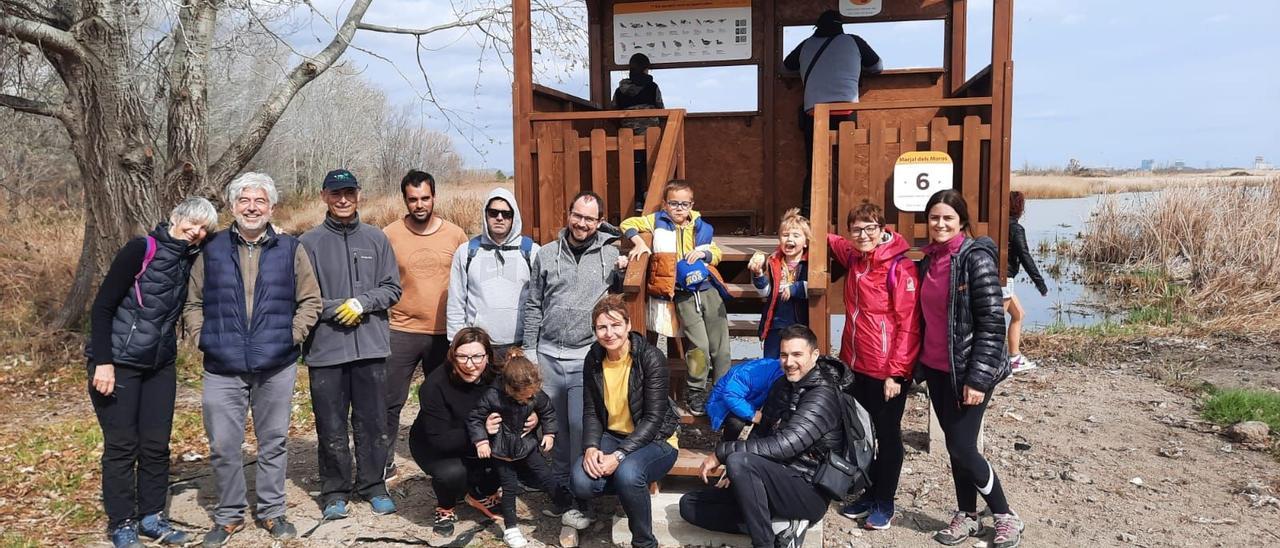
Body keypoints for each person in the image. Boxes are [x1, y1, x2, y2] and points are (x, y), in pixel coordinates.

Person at [183, 173, 323, 546]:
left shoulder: (291, 249)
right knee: (224, 444)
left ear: (271, 207)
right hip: (222, 365)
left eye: (260, 201)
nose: (252, 207)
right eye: (244, 200)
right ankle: (228, 516)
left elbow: (311, 300)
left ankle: (272, 511)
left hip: (276, 364)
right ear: (232, 206)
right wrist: (202, 338)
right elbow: (193, 301)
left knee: (273, 441)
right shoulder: (210, 249)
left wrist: (290, 337)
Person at [86, 197, 217, 548]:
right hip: (119, 363)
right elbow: (102, 308)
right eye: (192, 222)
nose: (196, 231)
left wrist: (275, 232)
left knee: (157, 445)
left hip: (160, 364)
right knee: (122, 446)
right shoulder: (140, 249)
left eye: (204, 227)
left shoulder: (191, 256)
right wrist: (103, 362)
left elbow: (234, 241)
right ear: (175, 217)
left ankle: (151, 517)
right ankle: (122, 523)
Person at [679, 325, 848, 548]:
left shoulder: (822, 396)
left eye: (797, 355)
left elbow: (785, 445)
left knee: (740, 460)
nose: (789, 362)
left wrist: (724, 453)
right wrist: (738, 473)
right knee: (690, 504)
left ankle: (764, 543)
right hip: (772, 480)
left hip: (808, 490)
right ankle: (781, 527)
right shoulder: (782, 385)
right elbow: (762, 431)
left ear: (814, 355)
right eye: (784, 355)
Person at [917, 190, 1022, 548]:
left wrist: (977, 378)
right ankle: (968, 515)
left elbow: (993, 323)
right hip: (936, 369)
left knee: (963, 448)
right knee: (954, 445)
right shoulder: (929, 260)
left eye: (947, 218)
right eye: (934, 218)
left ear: (961, 221)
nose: (940, 224)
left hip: (969, 371)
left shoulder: (975, 259)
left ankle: (1005, 516)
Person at [299, 168, 403, 519]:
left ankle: (373, 485)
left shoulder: (376, 238)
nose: (343, 199)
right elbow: (302, 298)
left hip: (371, 347)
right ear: (324, 196)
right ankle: (335, 490)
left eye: (349, 192)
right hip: (326, 350)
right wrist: (335, 308)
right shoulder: (308, 243)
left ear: (359, 195)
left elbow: (392, 288)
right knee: (330, 423)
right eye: (335, 193)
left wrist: (363, 302)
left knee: (372, 421)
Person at [522, 190, 628, 525]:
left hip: (585, 356)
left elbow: (621, 290)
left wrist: (626, 263)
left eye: (590, 218)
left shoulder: (609, 257)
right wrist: (529, 351)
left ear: (599, 222)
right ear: (568, 214)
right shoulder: (547, 254)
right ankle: (563, 493)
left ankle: (584, 498)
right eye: (577, 215)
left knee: (583, 427)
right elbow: (534, 304)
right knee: (554, 430)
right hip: (548, 353)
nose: (581, 223)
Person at [826, 201, 921, 530]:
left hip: (887, 371)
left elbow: (909, 325)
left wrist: (897, 371)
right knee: (863, 434)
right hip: (856, 364)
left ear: (883, 229)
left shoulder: (900, 268)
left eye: (870, 228)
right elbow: (834, 242)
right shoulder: (855, 257)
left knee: (888, 436)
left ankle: (885, 501)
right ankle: (868, 492)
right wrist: (810, 233)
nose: (863, 234)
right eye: (856, 229)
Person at [572, 295, 680, 548]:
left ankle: (644, 542)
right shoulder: (594, 358)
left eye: (616, 325)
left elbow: (653, 419)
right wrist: (591, 447)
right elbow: (591, 411)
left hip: (656, 439)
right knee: (580, 479)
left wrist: (618, 456)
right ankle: (630, 494)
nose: (609, 333)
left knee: (629, 474)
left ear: (628, 325)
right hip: (614, 434)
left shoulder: (650, 358)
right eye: (602, 327)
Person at [383, 170, 469, 480]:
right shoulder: (389, 234)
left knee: (444, 401)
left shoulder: (456, 235)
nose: (419, 204)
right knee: (390, 400)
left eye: (425, 198)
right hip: (401, 330)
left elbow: (467, 282)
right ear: (405, 200)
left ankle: (444, 461)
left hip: (443, 334)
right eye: (413, 199)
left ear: (434, 197)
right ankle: (384, 464)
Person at [622, 179, 730, 416]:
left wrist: (704, 252)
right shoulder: (656, 221)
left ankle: (723, 391)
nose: (680, 208)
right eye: (674, 203)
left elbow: (717, 253)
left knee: (721, 348)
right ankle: (696, 391)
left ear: (691, 204)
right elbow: (627, 223)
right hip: (683, 295)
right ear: (665, 204)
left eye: (684, 204)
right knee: (699, 345)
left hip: (707, 289)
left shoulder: (701, 226)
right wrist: (639, 240)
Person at [410, 327, 531, 536]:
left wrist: (534, 415)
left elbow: (528, 396)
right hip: (437, 445)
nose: (470, 364)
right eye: (462, 357)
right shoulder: (434, 385)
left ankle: (482, 492)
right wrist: (481, 431)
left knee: (518, 447)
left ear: (488, 356)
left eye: (477, 356)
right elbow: (440, 441)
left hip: (481, 438)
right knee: (453, 474)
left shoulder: (499, 373)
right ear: (452, 355)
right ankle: (446, 507)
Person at [466, 349, 579, 548]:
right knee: (509, 488)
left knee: (546, 475)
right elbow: (475, 418)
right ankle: (511, 529)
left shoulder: (535, 393)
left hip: (528, 445)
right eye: (523, 397)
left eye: (531, 395)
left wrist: (550, 433)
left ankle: (566, 506)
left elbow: (548, 412)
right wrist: (481, 441)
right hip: (502, 450)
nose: (527, 399)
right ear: (509, 388)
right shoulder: (493, 395)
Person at [783, 9, 882, 216]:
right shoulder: (854, 41)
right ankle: (843, 215)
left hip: (815, 113)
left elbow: (786, 68)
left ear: (817, 28)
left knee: (815, 167)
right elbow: (877, 66)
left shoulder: (806, 44)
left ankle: (809, 217)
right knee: (843, 165)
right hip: (846, 111)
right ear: (841, 26)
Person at [447, 187, 540, 365]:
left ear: (514, 217)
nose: (499, 218)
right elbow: (456, 302)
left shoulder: (532, 252)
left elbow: (540, 302)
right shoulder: (466, 252)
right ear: (485, 215)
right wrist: (455, 344)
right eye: (493, 212)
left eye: (506, 214)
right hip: (478, 349)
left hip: (519, 347)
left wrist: (532, 347)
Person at [748, 207, 811, 359]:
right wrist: (759, 275)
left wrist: (795, 288)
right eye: (785, 235)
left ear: (805, 243)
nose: (790, 239)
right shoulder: (773, 262)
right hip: (775, 324)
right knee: (772, 361)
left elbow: (813, 287)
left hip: (798, 324)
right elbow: (766, 293)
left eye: (796, 235)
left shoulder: (809, 264)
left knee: (796, 361)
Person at [613, 52, 665, 207]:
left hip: (628, 135)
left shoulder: (620, 90)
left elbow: (614, 110)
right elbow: (660, 108)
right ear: (645, 69)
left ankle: (635, 200)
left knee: (632, 168)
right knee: (651, 166)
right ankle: (651, 198)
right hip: (650, 134)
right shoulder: (652, 87)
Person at [1006, 191, 1048, 373]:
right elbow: (1025, 256)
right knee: (992, 325)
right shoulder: (1015, 229)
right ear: (1018, 208)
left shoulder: (996, 226)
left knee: (1018, 314)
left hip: (1000, 278)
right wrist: (1040, 283)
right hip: (1002, 279)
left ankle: (1014, 358)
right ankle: (1001, 363)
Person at [704, 357, 782, 442]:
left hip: (749, 402)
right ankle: (725, 444)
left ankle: (755, 446)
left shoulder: (782, 373)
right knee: (737, 422)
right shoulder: (756, 372)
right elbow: (730, 395)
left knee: (769, 416)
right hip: (723, 404)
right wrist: (752, 414)